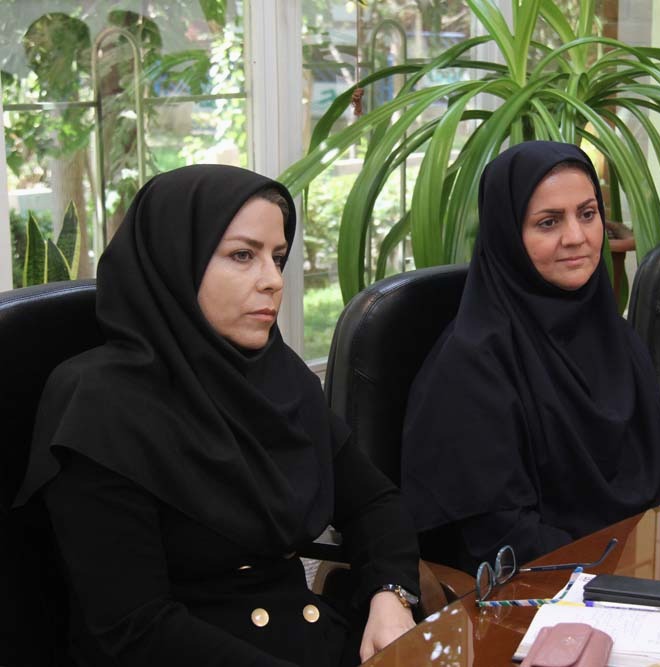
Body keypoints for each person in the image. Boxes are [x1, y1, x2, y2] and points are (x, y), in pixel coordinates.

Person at [14, 165, 419, 666]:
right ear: (175, 261)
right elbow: (136, 629)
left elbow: (373, 502)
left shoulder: (277, 374)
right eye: (243, 255)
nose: (273, 281)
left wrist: (390, 595)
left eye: (278, 258)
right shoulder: (98, 405)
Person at [400, 141, 660, 574]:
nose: (576, 237)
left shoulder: (618, 339)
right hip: (543, 587)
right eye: (548, 222)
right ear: (508, 235)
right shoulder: (473, 363)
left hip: (641, 568)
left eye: (587, 214)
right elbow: (502, 539)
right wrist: (616, 572)